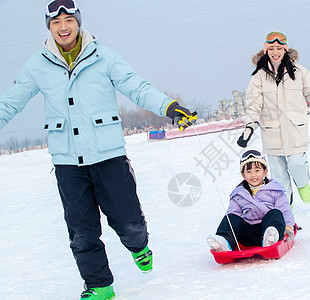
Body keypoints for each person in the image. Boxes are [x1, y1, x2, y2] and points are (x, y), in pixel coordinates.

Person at [0, 1, 196, 299]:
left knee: (128, 222)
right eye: (56, 23)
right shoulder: (38, 65)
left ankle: (139, 246)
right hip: (67, 162)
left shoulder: (102, 56)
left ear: (78, 22)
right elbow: (10, 102)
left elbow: (136, 86)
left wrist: (169, 106)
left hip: (108, 156)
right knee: (81, 230)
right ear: (49, 28)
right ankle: (100, 286)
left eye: (68, 20)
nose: (63, 27)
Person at [237, 31, 310, 206]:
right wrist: (250, 126)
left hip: (295, 130)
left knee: (297, 164)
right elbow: (254, 104)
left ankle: (303, 183)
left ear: (285, 50)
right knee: (279, 175)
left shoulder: (299, 72)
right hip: (272, 132)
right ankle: (285, 209)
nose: (275, 52)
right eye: (272, 48)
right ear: (266, 50)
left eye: (279, 48)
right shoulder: (259, 75)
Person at [207, 150, 295, 252]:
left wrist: (288, 226)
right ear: (243, 175)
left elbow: (285, 210)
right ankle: (223, 242)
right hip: (247, 234)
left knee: (275, 213)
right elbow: (233, 215)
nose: (253, 175)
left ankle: (270, 239)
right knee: (230, 218)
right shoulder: (238, 194)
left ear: (265, 172)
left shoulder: (275, 190)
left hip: (268, 230)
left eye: (257, 170)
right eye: (248, 172)